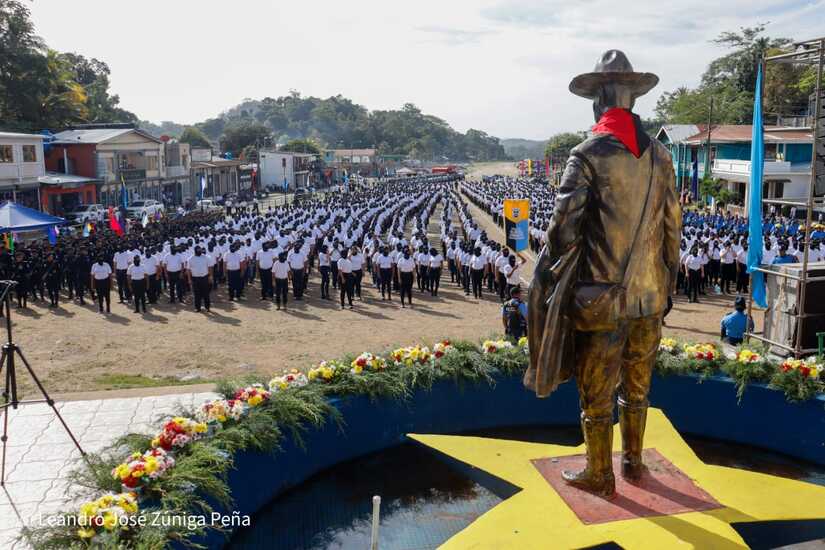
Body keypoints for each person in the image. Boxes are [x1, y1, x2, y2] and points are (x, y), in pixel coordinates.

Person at [526, 50, 681, 497]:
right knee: (637, 387)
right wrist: (664, 285)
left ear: (599, 102)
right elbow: (673, 229)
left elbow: (562, 230)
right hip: (650, 297)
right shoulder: (661, 155)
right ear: (632, 101)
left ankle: (600, 473)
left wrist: (549, 277)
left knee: (596, 395)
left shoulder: (587, 154)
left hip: (600, 301)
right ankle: (633, 461)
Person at [188, 245, 212, 313]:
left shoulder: (206, 257)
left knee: (206, 293)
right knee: (196, 294)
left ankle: (207, 307)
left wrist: (210, 276)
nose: (200, 251)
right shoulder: (190, 259)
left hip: (204, 278)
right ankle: (197, 308)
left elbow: (209, 267)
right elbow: (188, 270)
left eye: (200, 250)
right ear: (195, 251)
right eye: (198, 250)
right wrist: (189, 279)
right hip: (195, 279)